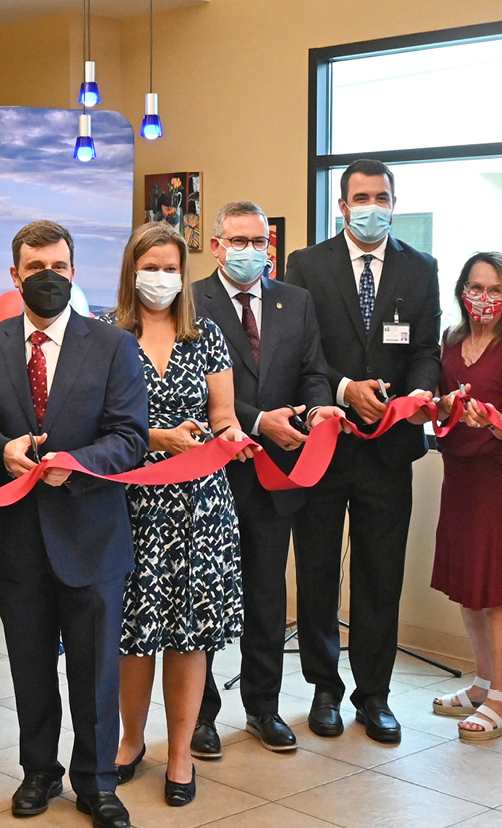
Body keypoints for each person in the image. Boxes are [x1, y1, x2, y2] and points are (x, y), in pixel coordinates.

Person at [0, 220, 147, 828]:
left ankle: (97, 782)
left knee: (96, 668)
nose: (47, 277)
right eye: (34, 266)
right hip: (18, 536)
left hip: (92, 534)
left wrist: (72, 466)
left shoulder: (113, 346)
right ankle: (38, 770)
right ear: (14, 274)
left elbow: (130, 440)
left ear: (74, 272)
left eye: (59, 266)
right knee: (28, 663)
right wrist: (3, 449)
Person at [284, 159, 441, 745]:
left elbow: (425, 349)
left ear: (394, 202)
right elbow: (301, 352)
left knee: (381, 575)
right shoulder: (306, 265)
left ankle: (374, 694)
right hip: (325, 442)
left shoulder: (419, 267)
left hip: (388, 450)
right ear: (342, 205)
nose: (372, 206)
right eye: (361, 197)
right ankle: (324, 687)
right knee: (319, 570)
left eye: (382, 196)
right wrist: (347, 390)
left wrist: (410, 394)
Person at [103, 222, 246, 806]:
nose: (160, 277)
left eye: (170, 267)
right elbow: (98, 428)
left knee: (189, 637)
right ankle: (130, 742)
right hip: (130, 504)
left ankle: (182, 752)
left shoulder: (207, 333)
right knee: (134, 636)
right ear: (130, 270)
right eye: (150, 266)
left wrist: (236, 438)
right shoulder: (106, 336)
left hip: (199, 508)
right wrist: (160, 438)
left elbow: (223, 416)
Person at [193, 201, 342, 754]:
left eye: (259, 241)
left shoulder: (295, 301)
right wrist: (257, 421)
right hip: (211, 474)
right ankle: (201, 715)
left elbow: (313, 372)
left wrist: (321, 408)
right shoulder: (192, 303)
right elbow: (198, 389)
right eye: (239, 240)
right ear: (215, 246)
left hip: (277, 476)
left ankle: (263, 708)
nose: (250, 250)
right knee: (206, 597)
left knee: (265, 595)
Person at [428, 252, 502, 742]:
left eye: (494, 289)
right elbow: (431, 402)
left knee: (495, 589)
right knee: (468, 588)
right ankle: (480, 683)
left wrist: (487, 415)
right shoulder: (450, 341)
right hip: (457, 473)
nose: (483, 298)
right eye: (475, 287)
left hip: (493, 477)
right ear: (461, 289)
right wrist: (445, 405)